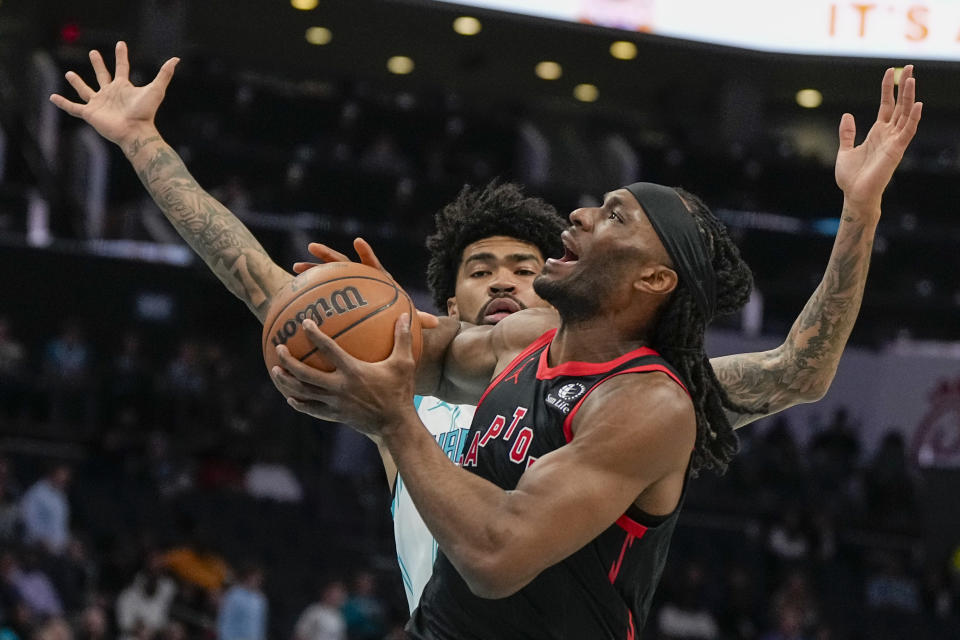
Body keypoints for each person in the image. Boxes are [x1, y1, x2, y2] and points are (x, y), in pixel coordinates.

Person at [51, 44, 921, 632]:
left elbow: (801, 371)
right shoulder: (466, 360)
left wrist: (859, 211)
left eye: (522, 261)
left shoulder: (652, 397)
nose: (505, 278)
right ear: (445, 300)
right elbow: (265, 285)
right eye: (480, 269)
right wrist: (143, 145)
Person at [266, 81, 921, 637]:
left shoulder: (646, 405)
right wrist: (377, 322)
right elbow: (423, 351)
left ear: (655, 281)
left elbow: (497, 555)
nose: (577, 216)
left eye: (614, 218)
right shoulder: (522, 340)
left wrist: (859, 211)